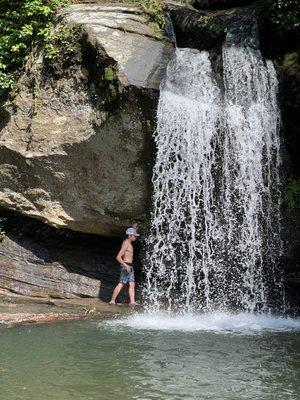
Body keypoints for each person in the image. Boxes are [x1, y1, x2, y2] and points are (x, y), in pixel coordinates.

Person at [109, 226, 139, 306]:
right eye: (134, 235)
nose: (136, 237)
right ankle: (112, 300)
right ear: (130, 235)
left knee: (132, 283)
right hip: (125, 266)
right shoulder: (126, 244)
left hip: (130, 266)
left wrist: (134, 227)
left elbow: (131, 231)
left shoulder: (127, 242)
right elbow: (118, 257)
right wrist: (125, 266)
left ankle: (132, 301)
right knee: (121, 283)